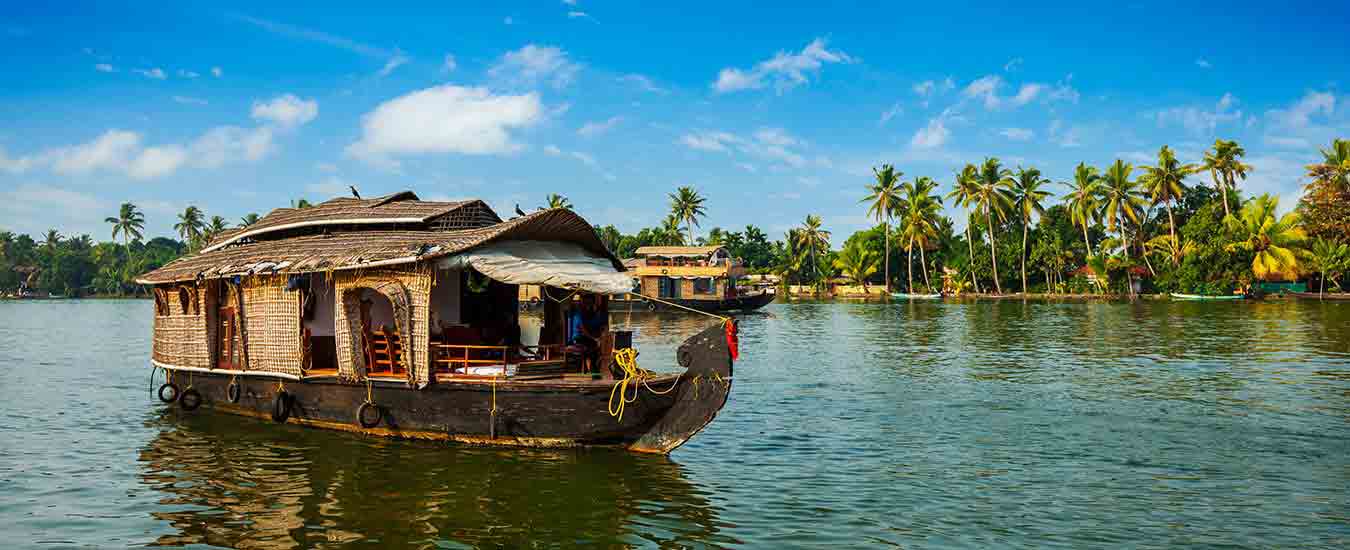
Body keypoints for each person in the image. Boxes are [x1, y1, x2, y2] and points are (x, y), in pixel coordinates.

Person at [567, 294, 606, 372]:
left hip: (577, 338)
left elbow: (589, 326)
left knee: (593, 346)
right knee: (593, 349)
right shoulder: (578, 315)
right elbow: (583, 330)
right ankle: (592, 369)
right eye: (585, 302)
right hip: (577, 339)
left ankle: (589, 368)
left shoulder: (577, 313)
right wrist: (594, 338)